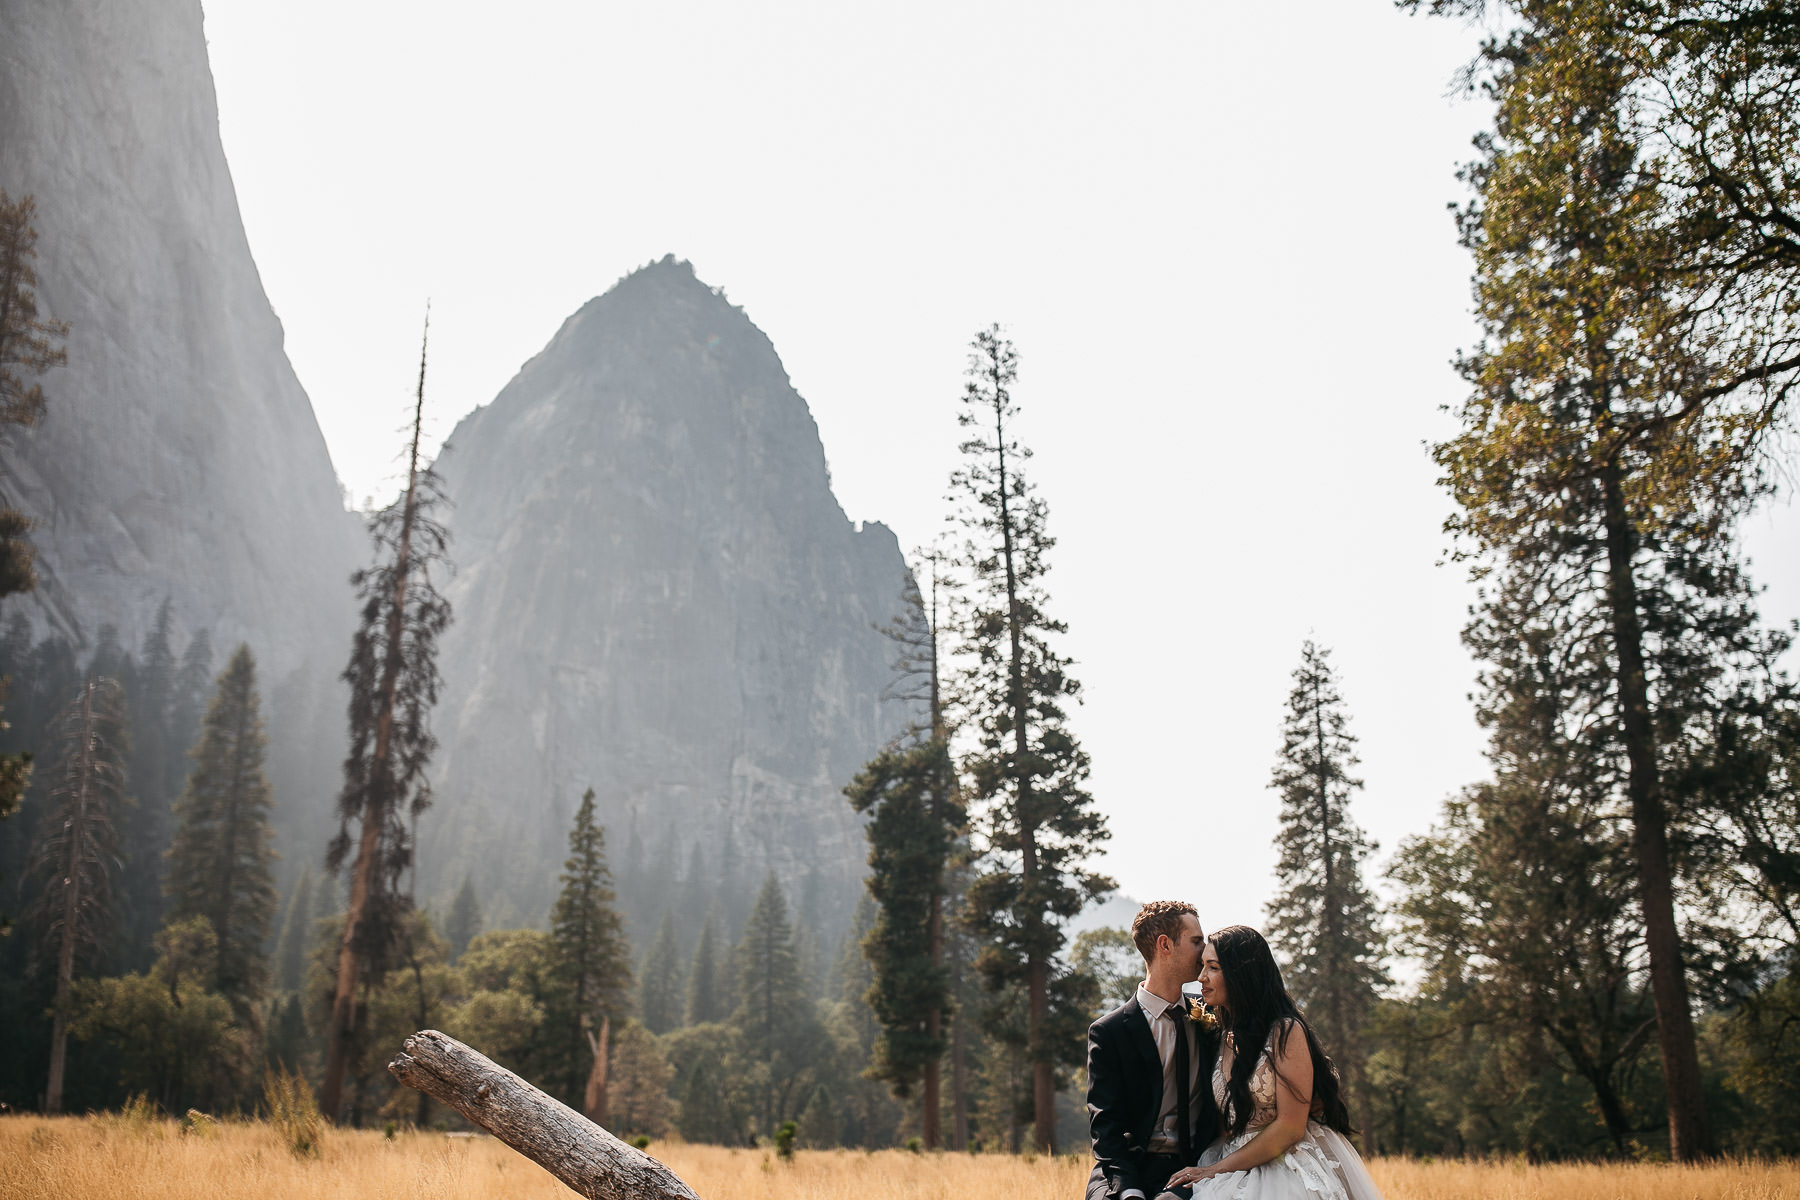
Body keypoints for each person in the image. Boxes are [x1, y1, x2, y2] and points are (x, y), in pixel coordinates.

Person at [1160, 926, 1384, 1200]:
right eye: (1203, 966)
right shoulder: (1220, 1034)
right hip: (1232, 1157)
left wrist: (1215, 1170)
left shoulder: (1285, 1031)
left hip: (1284, 1163)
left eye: (1213, 967)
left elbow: (1290, 1127)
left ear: (1241, 974)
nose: (1201, 977)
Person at [1086, 901, 1221, 1200]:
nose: (1206, 951)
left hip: (1196, 1167)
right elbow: (1105, 1126)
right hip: (1125, 1168)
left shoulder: (1214, 1019)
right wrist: (1129, 1190)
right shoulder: (1109, 1032)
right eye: (1197, 941)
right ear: (1165, 945)